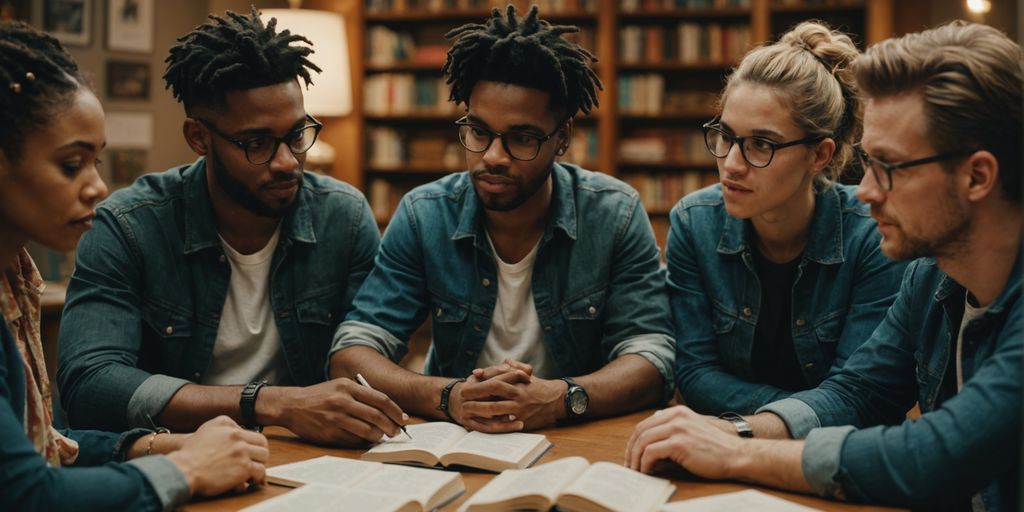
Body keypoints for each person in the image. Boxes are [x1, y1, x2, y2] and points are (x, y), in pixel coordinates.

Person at [625, 21, 1021, 510]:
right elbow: (859, 393)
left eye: (889, 167)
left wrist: (735, 454)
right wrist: (744, 431)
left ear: (977, 176)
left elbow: (931, 455)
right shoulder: (933, 273)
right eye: (868, 163)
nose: (867, 190)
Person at [57, 7, 408, 445]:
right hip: (174, 457)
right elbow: (90, 382)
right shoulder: (129, 226)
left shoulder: (343, 216)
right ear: (198, 138)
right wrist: (269, 403)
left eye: (297, 134)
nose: (286, 162)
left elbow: (366, 355)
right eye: (257, 143)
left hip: (305, 455)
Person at [329, 5, 675, 432]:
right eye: (478, 132)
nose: (493, 157)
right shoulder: (425, 214)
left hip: (576, 439)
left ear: (562, 137)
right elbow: (352, 353)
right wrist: (448, 396)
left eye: (521, 138)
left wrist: (561, 398)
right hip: (454, 440)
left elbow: (652, 358)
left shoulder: (614, 214)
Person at [0, 20, 267, 510]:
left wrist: (155, 445)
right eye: (70, 164)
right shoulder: (125, 225)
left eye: (96, 162)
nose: (98, 187)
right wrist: (185, 469)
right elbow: (24, 494)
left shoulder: (12, 281)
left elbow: (41, 447)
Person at [670, 21, 907, 416]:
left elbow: (863, 394)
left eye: (761, 145)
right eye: (725, 136)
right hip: (729, 452)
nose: (731, 164)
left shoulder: (873, 234)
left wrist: (764, 425)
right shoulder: (695, 224)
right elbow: (694, 373)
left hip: (830, 462)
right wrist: (790, 416)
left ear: (819, 155)